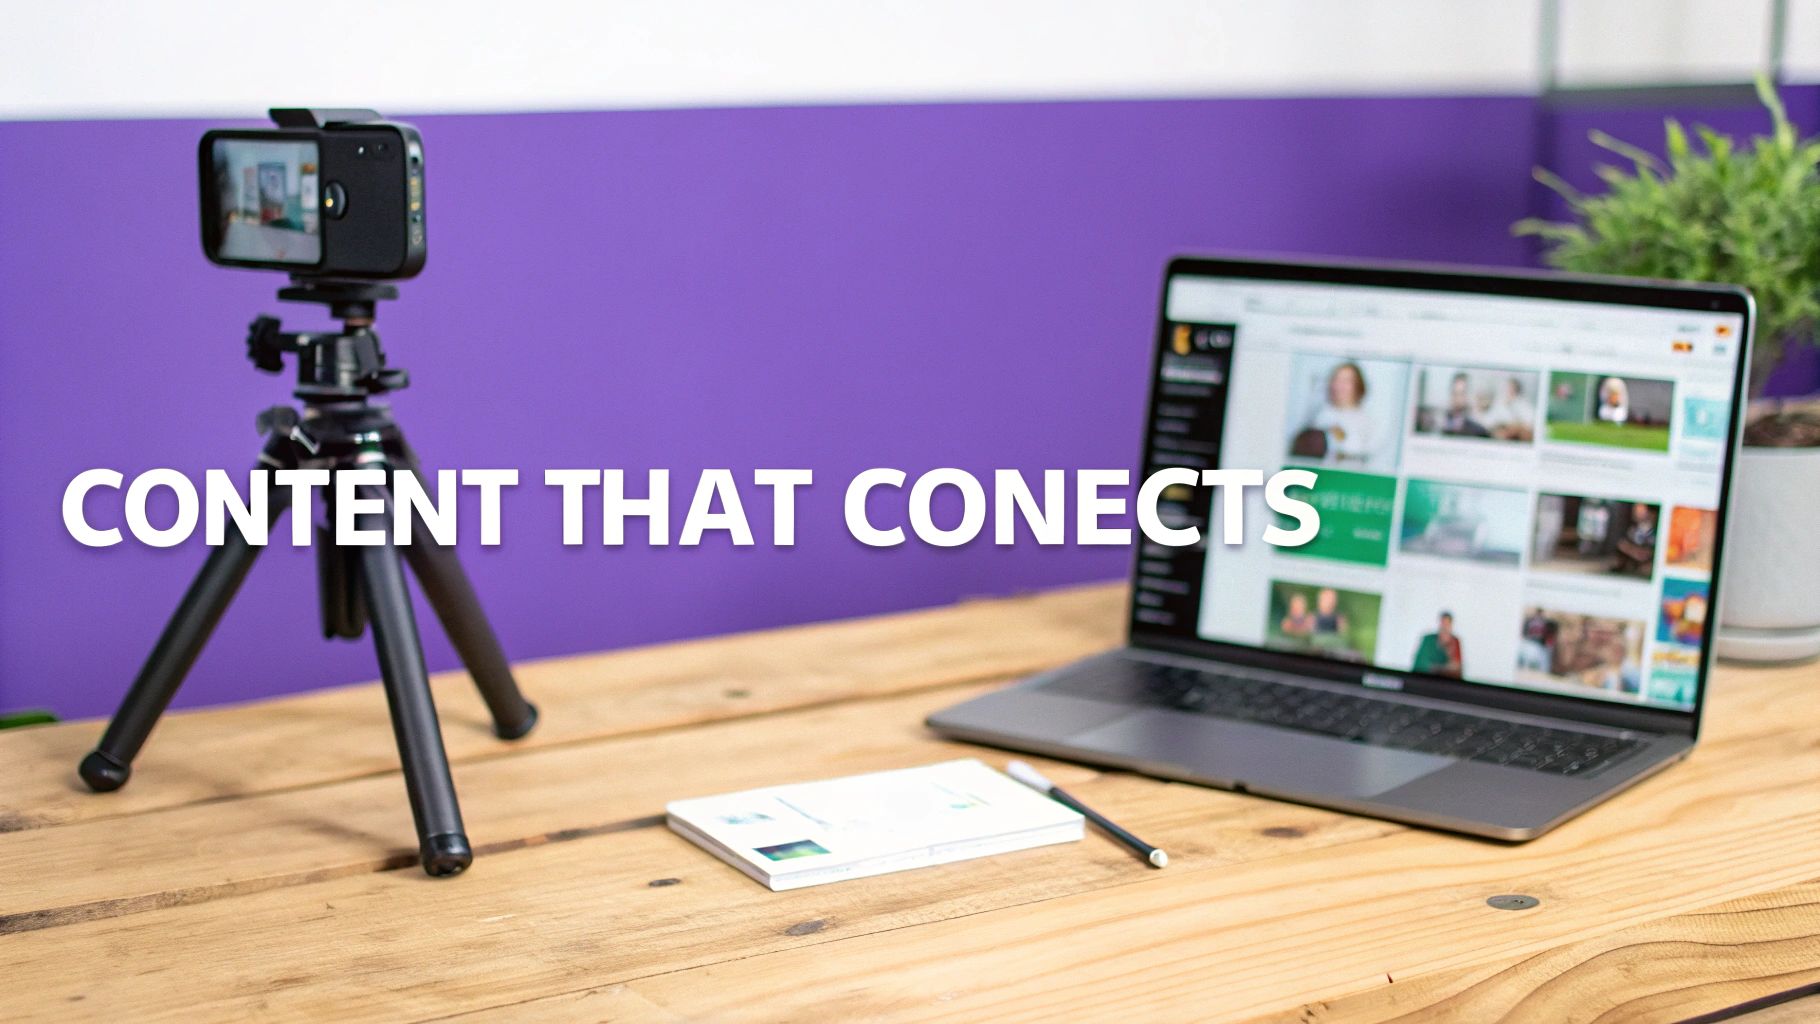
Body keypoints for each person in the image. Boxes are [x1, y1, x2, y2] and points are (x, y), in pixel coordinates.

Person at [1300, 362, 1374, 464]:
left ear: (1358, 386)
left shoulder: (1367, 420)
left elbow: (1363, 451)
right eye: (1336, 379)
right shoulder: (1321, 415)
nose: (1339, 385)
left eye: (1346, 381)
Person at [1412, 611, 1464, 677]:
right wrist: (1442, 669)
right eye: (1443, 623)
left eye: (1447, 624)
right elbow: (1420, 665)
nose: (1444, 627)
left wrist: (1448, 651)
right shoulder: (1428, 640)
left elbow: (1457, 669)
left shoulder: (1455, 642)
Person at [1612, 503, 1658, 576]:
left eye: (1640, 510)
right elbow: (1623, 543)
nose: (1636, 512)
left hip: (1648, 558)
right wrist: (1634, 551)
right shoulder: (1633, 528)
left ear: (1649, 513)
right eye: (1636, 510)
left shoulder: (1654, 528)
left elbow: (1651, 547)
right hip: (1634, 556)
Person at [1439, 372, 1489, 437]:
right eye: (1454, 393)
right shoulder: (1442, 424)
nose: (1457, 398)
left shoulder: (1478, 429)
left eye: (1462, 393)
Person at [1487, 376, 1534, 440]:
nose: (1508, 390)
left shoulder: (1524, 404)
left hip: (1518, 435)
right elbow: (1489, 421)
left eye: (1511, 387)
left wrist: (1515, 426)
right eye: (1507, 387)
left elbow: (1528, 422)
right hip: (1500, 433)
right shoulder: (1499, 403)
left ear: (1517, 389)